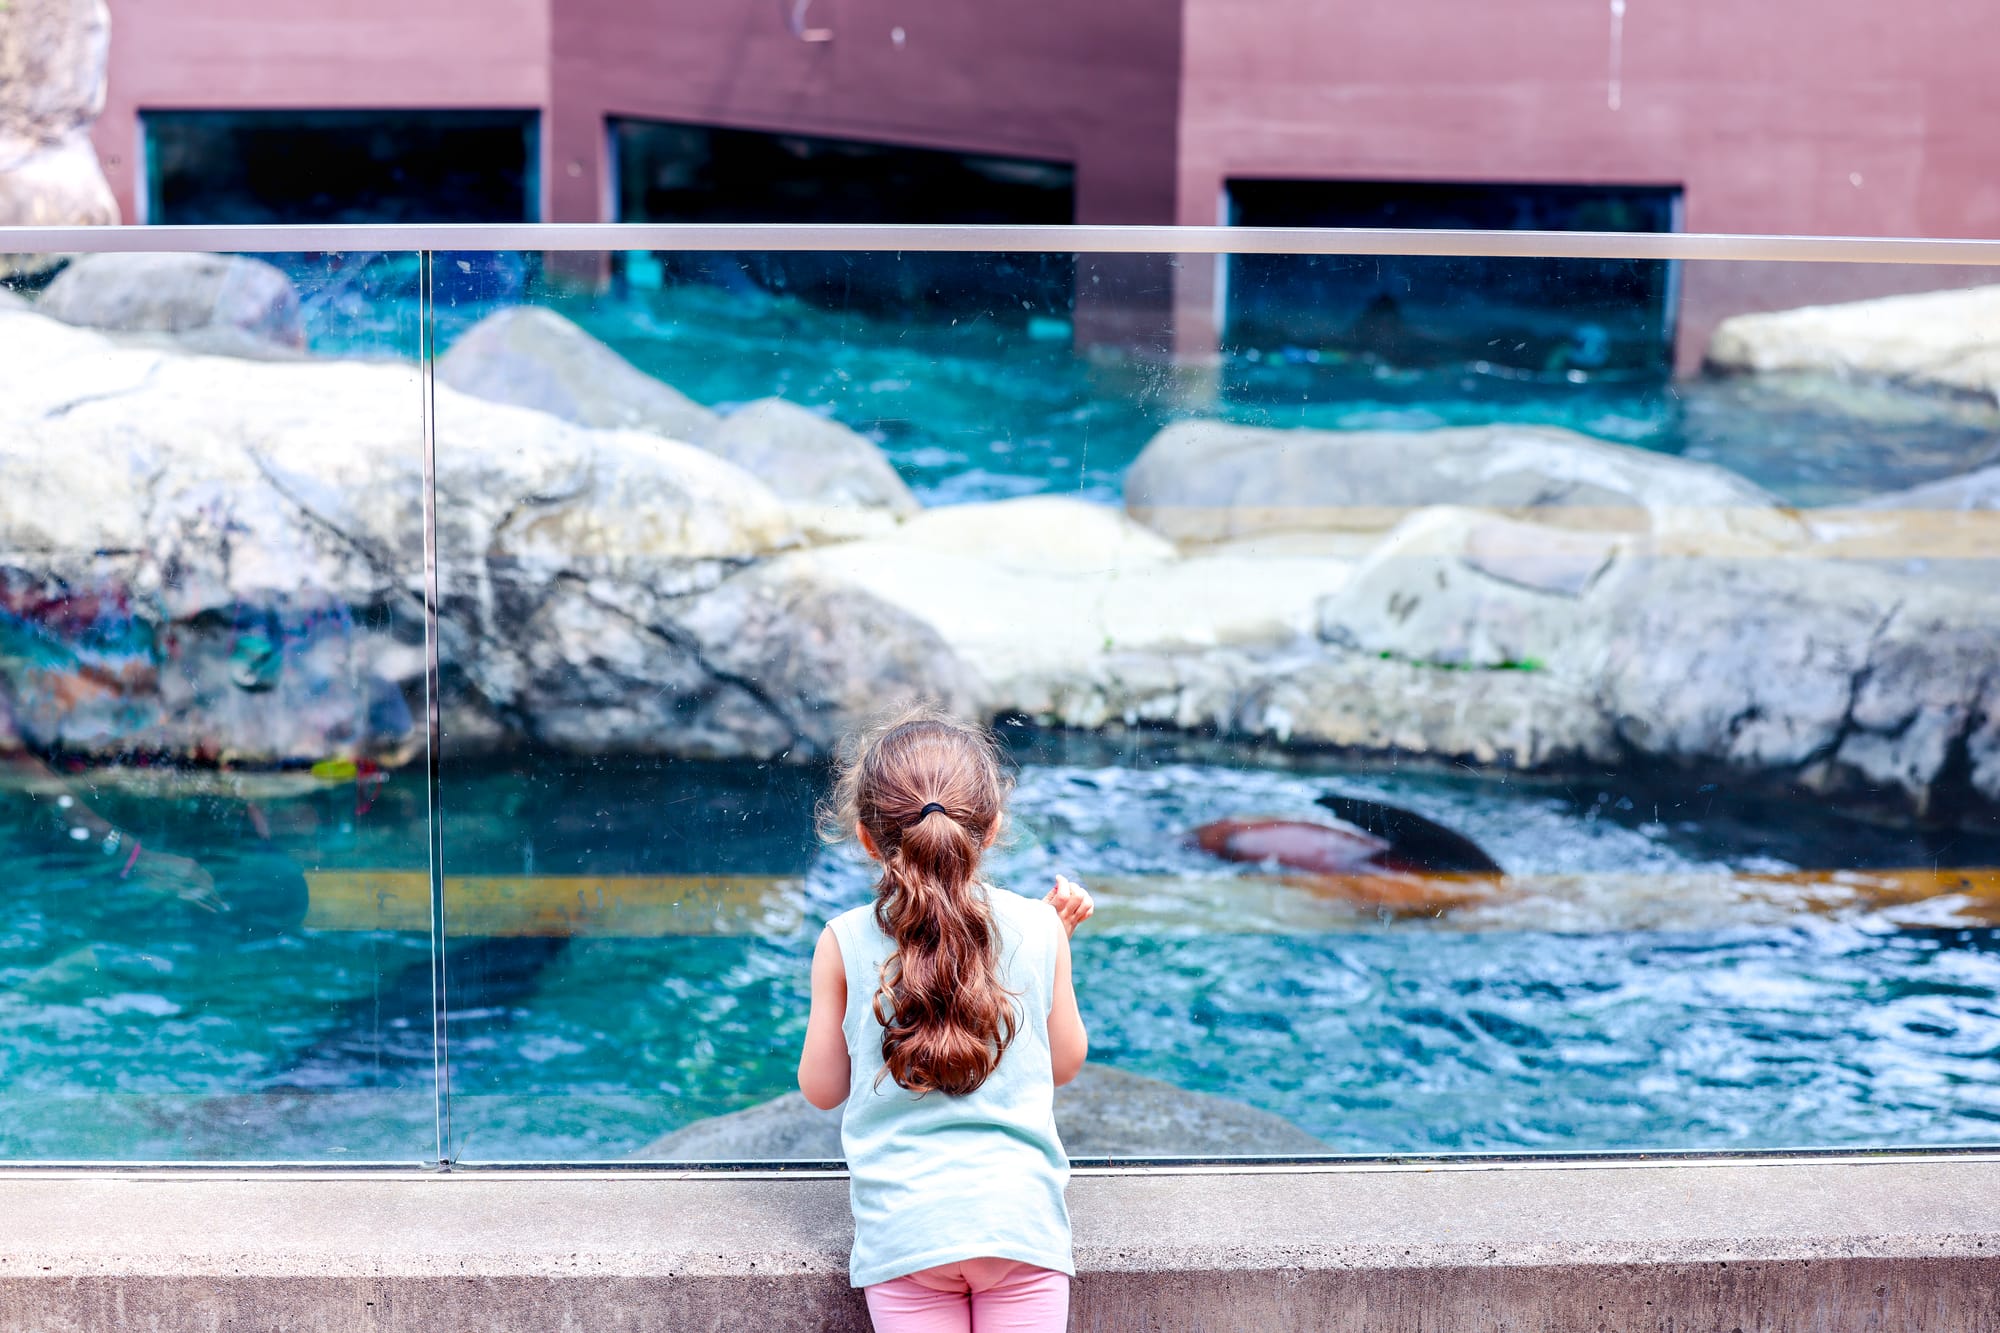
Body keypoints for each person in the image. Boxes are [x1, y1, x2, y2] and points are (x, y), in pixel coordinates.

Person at [798, 706, 1095, 1332]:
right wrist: (1053, 944)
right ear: (990, 829)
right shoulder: (1041, 927)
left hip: (907, 1234)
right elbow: (1064, 1064)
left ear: (866, 837)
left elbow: (823, 1090)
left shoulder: (842, 939)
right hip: (1019, 1226)